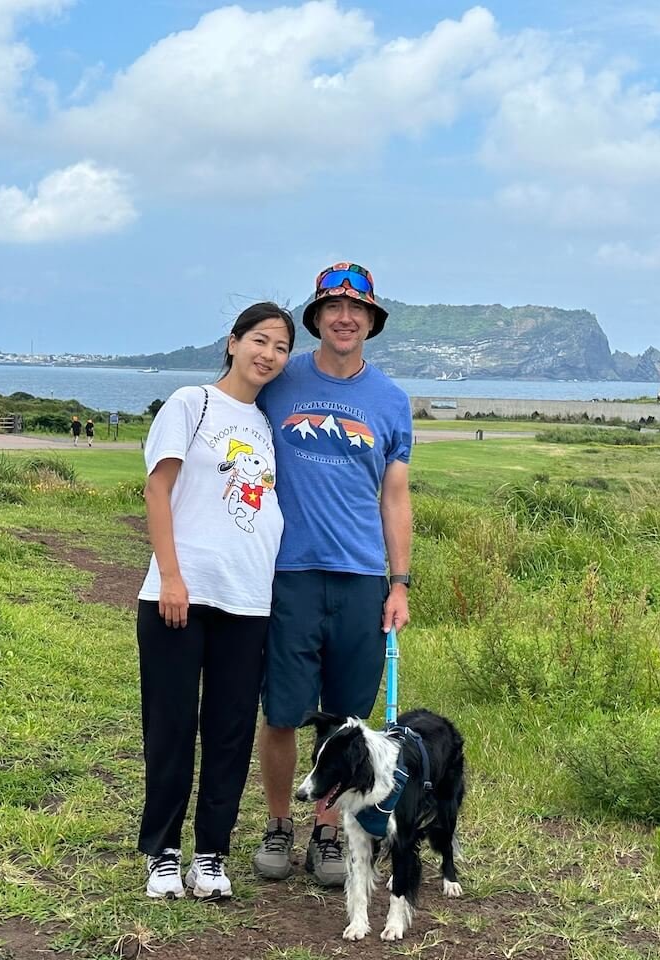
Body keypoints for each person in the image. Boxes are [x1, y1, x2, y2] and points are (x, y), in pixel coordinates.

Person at [253, 262, 413, 887]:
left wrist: (399, 583)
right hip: (288, 573)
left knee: (347, 718)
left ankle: (326, 832)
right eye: (332, 308)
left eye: (358, 310)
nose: (345, 319)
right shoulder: (279, 380)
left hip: (361, 579)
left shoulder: (390, 400)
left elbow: (395, 496)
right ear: (316, 317)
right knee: (284, 712)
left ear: (371, 322)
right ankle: (276, 824)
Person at [135, 302, 295, 901]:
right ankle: (163, 854)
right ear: (232, 343)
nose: (269, 355)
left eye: (280, 347)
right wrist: (171, 577)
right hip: (179, 593)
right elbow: (158, 487)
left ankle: (211, 854)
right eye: (260, 340)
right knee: (172, 727)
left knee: (229, 730)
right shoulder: (190, 402)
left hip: (248, 600)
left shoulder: (265, 424)